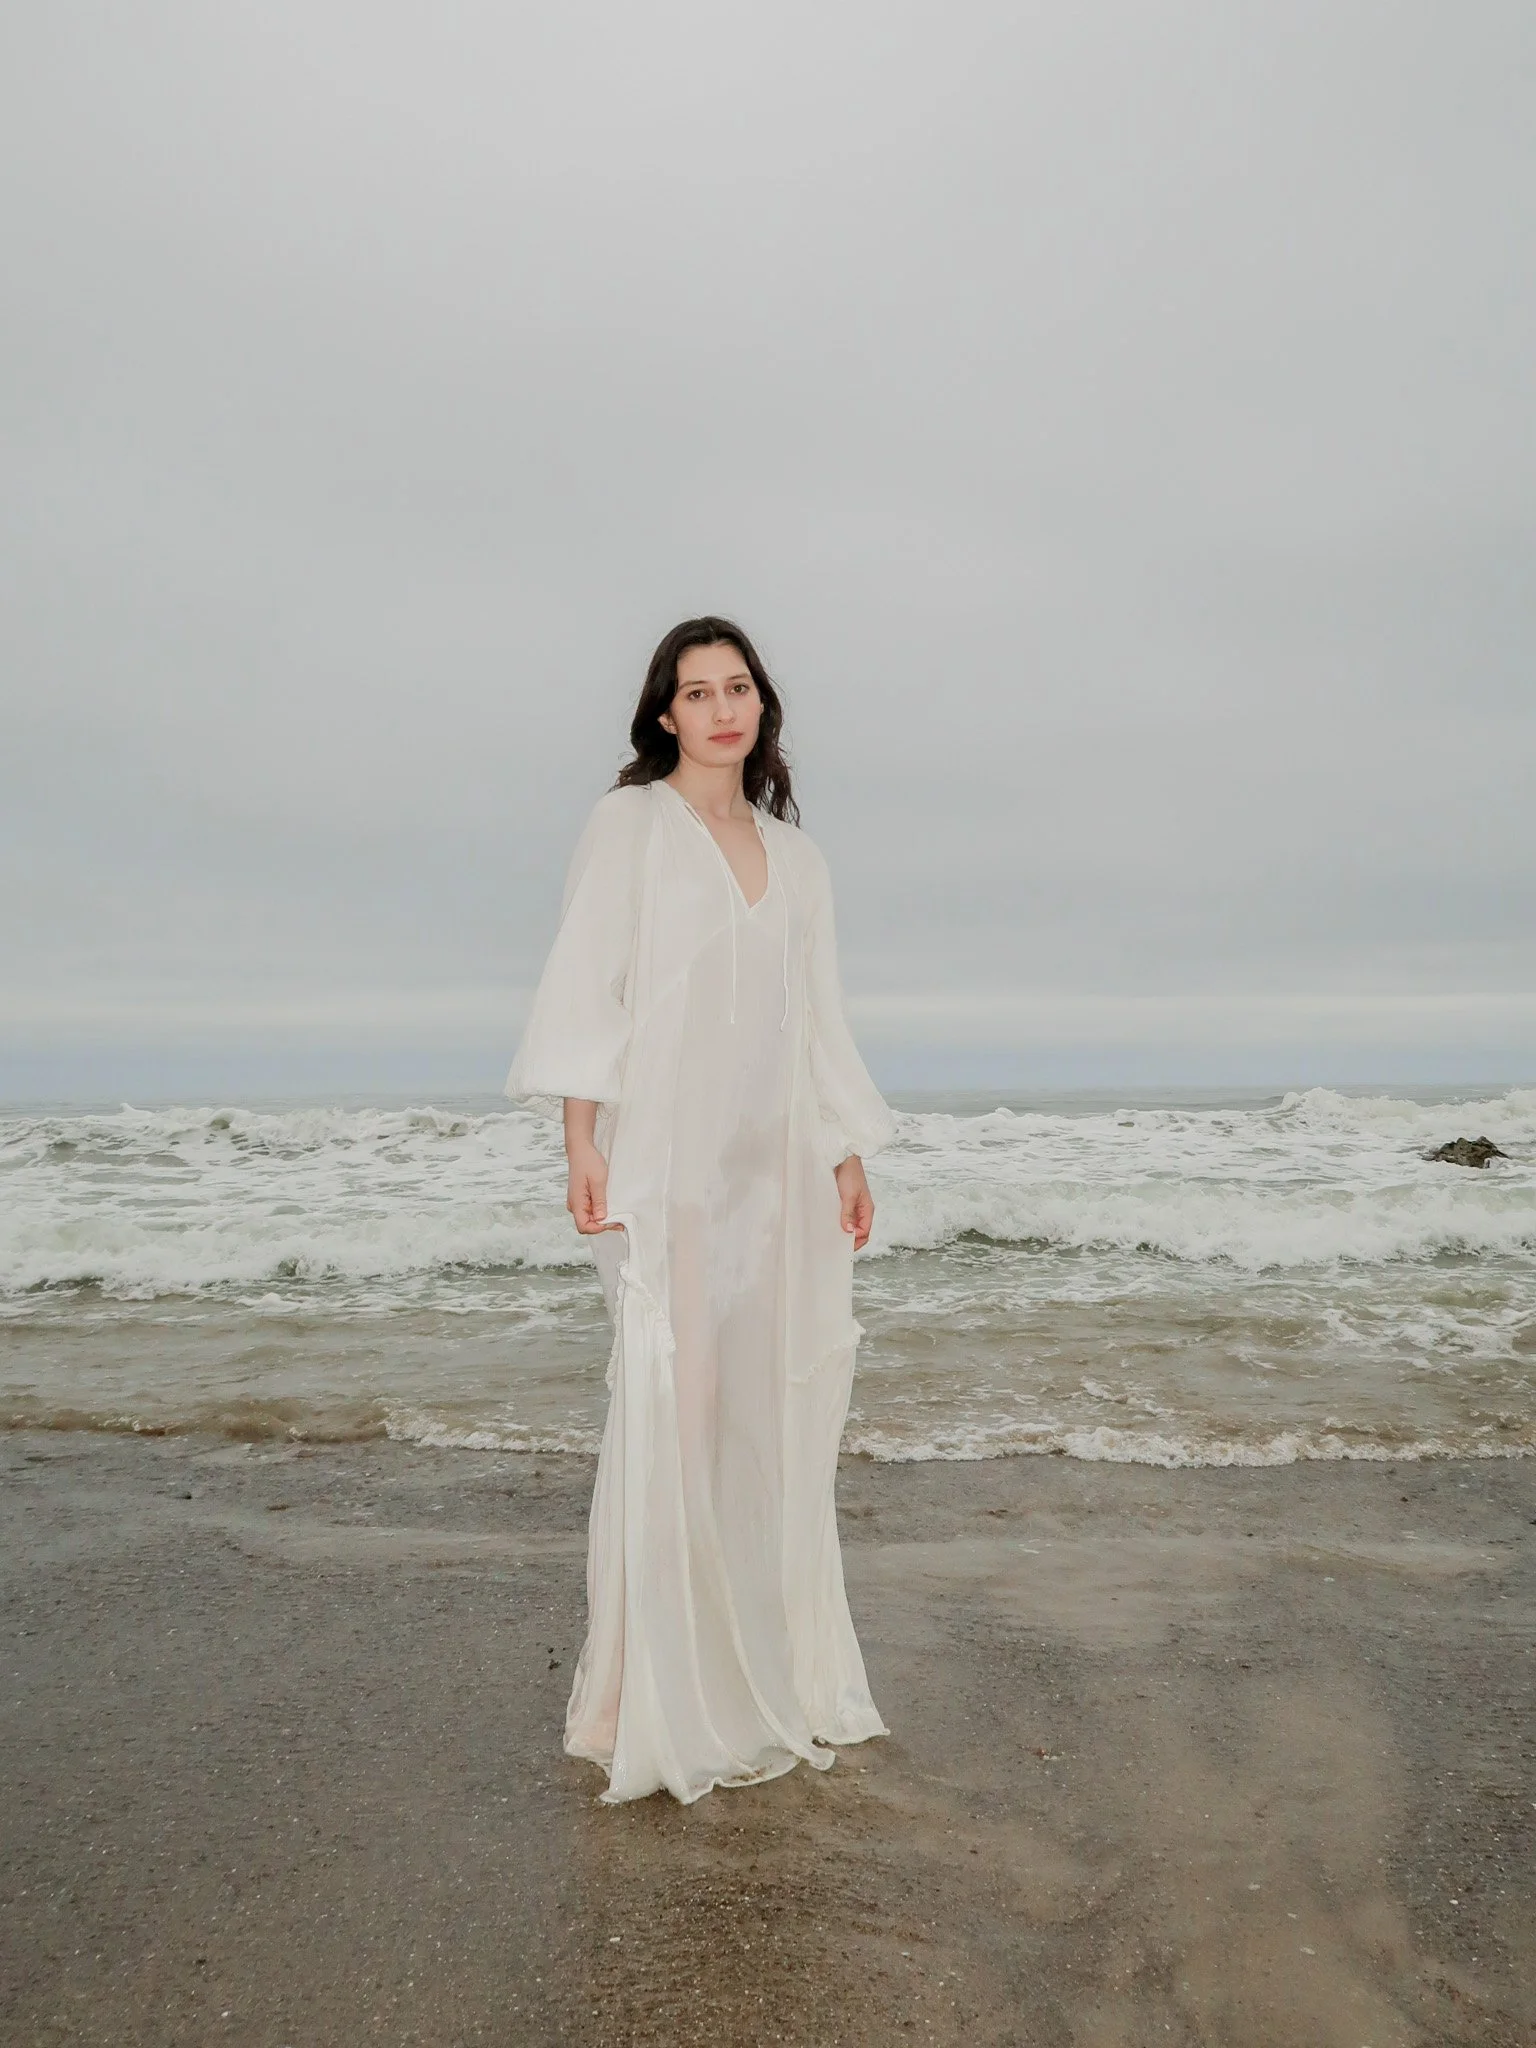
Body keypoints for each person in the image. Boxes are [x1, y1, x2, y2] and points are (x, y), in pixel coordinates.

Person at [505, 616, 896, 1804]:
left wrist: (843, 1153)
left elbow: (815, 1018)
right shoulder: (629, 827)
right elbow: (588, 983)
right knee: (679, 1404)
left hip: (775, 1169)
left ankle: (761, 1663)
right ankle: (642, 1691)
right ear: (664, 713)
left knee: (770, 1413)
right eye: (698, 690)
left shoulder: (801, 858)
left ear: (761, 706)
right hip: (668, 1162)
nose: (723, 707)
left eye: (740, 687)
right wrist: (582, 1138)